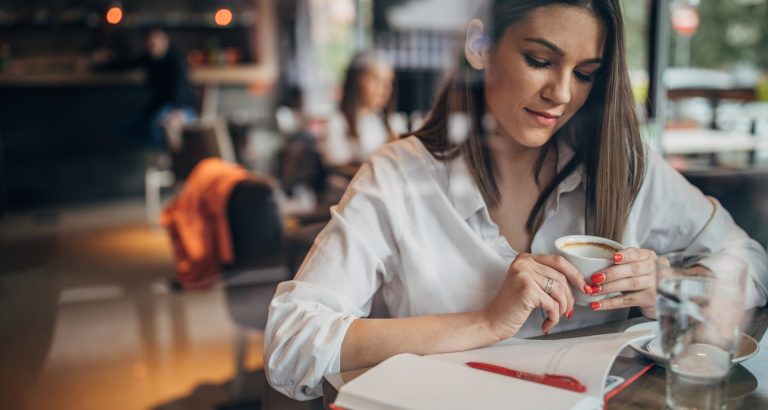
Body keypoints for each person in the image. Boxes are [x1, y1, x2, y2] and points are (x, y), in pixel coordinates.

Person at [264, 0, 768, 401]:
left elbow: (751, 261)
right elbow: (292, 342)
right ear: (480, 45)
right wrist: (484, 323)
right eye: (540, 61)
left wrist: (670, 284)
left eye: (586, 72)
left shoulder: (622, 168)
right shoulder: (400, 177)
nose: (562, 93)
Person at [93, 28, 196, 148]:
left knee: (163, 125)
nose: (152, 47)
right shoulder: (149, 59)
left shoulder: (175, 60)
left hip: (180, 108)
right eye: (149, 44)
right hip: (158, 107)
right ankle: (163, 156)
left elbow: (180, 86)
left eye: (155, 43)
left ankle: (172, 157)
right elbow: (125, 64)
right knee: (140, 126)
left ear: (164, 42)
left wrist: (177, 109)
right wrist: (96, 67)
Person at [320, 50, 406, 173]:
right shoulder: (337, 122)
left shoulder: (394, 123)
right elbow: (338, 167)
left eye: (389, 81)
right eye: (376, 80)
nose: (385, 89)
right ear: (356, 81)